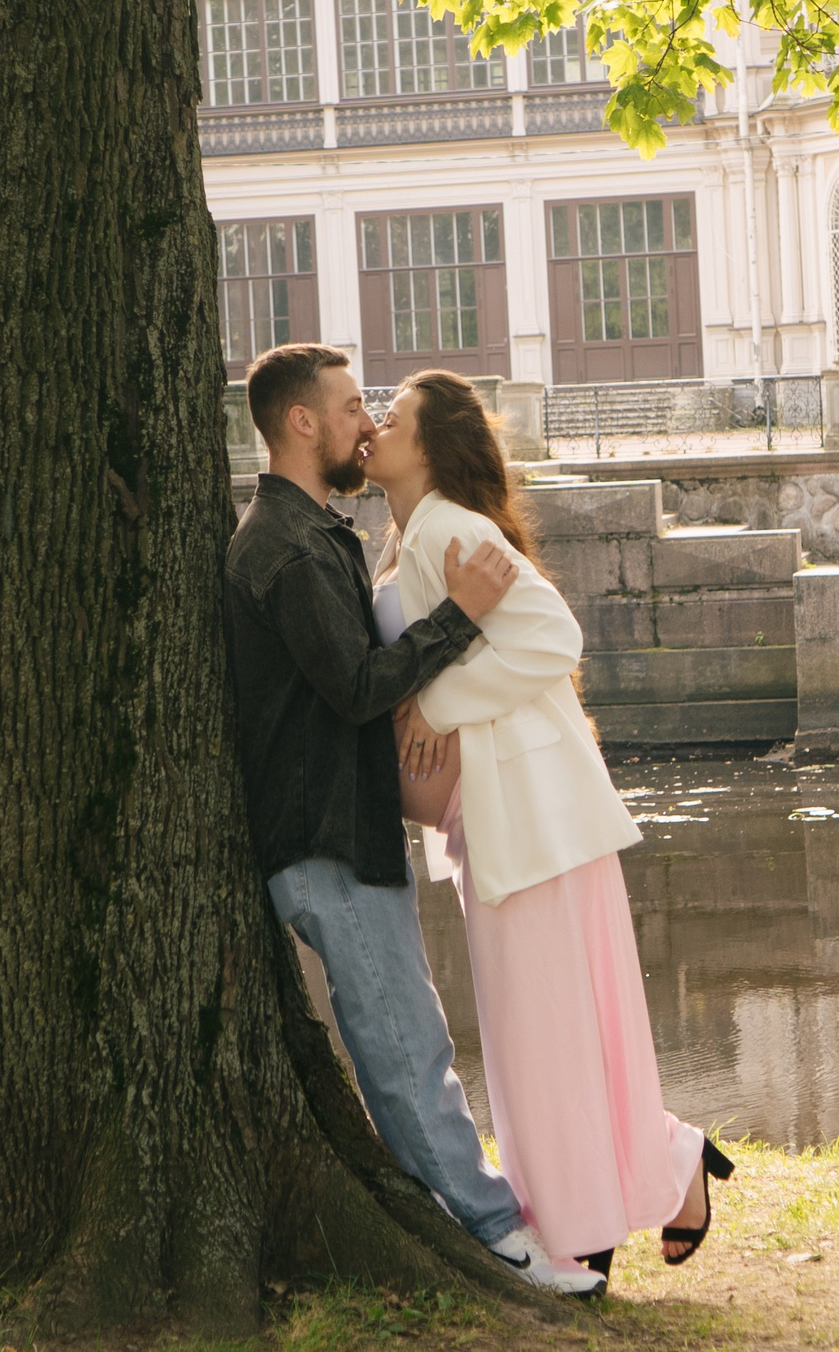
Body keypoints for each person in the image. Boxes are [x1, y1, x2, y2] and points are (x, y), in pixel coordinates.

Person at [223, 343, 605, 1298]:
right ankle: (498, 1239)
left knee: (411, 1037)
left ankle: (471, 1221)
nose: (367, 421)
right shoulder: (283, 544)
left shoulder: (317, 535)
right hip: (322, 840)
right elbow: (355, 685)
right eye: (354, 406)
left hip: (347, 834)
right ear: (303, 422)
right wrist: (459, 621)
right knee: (406, 1048)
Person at [366, 369, 731, 1285]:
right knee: (557, 1033)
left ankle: (590, 1216)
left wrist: (435, 707)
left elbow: (552, 637)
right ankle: (643, 1179)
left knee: (549, 1037)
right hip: (505, 820)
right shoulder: (416, 535)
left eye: (394, 416)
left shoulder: (450, 527)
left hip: (531, 818)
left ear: (433, 445)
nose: (376, 423)